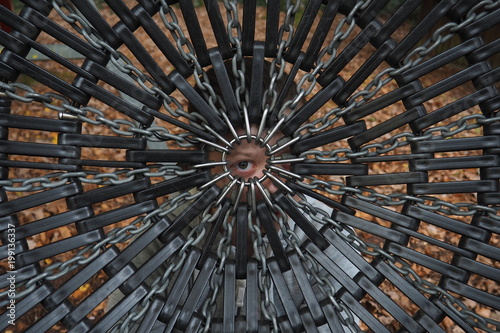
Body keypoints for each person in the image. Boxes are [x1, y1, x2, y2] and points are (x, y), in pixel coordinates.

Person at [107, 58, 359, 332]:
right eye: (243, 165)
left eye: (285, 157)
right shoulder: (166, 235)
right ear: (199, 160)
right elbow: (125, 323)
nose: (272, 184)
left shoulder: (327, 234)